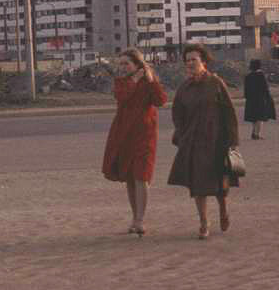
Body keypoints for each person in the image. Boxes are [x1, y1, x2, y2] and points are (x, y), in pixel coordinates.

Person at [167, 43, 240, 240]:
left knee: (219, 184)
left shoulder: (215, 83)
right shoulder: (184, 88)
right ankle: (203, 222)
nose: (190, 63)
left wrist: (233, 140)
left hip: (216, 141)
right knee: (197, 186)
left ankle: (223, 210)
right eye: (187, 60)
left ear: (204, 62)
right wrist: (182, 136)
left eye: (194, 60)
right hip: (193, 142)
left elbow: (229, 113)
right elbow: (177, 115)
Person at [101, 48, 167, 236]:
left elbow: (161, 100)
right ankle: (135, 217)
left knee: (142, 176)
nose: (122, 67)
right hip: (124, 135)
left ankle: (140, 220)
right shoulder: (122, 82)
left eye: (126, 63)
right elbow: (122, 96)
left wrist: (151, 79)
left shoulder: (148, 81)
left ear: (137, 65)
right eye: (120, 63)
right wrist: (134, 80)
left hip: (144, 136)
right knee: (130, 178)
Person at [242, 59, 276, 140]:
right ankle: (257, 134)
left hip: (251, 100)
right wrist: (268, 97)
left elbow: (246, 90)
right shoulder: (261, 75)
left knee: (253, 117)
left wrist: (247, 97)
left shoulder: (248, 76)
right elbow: (265, 88)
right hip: (260, 99)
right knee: (260, 117)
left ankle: (254, 132)